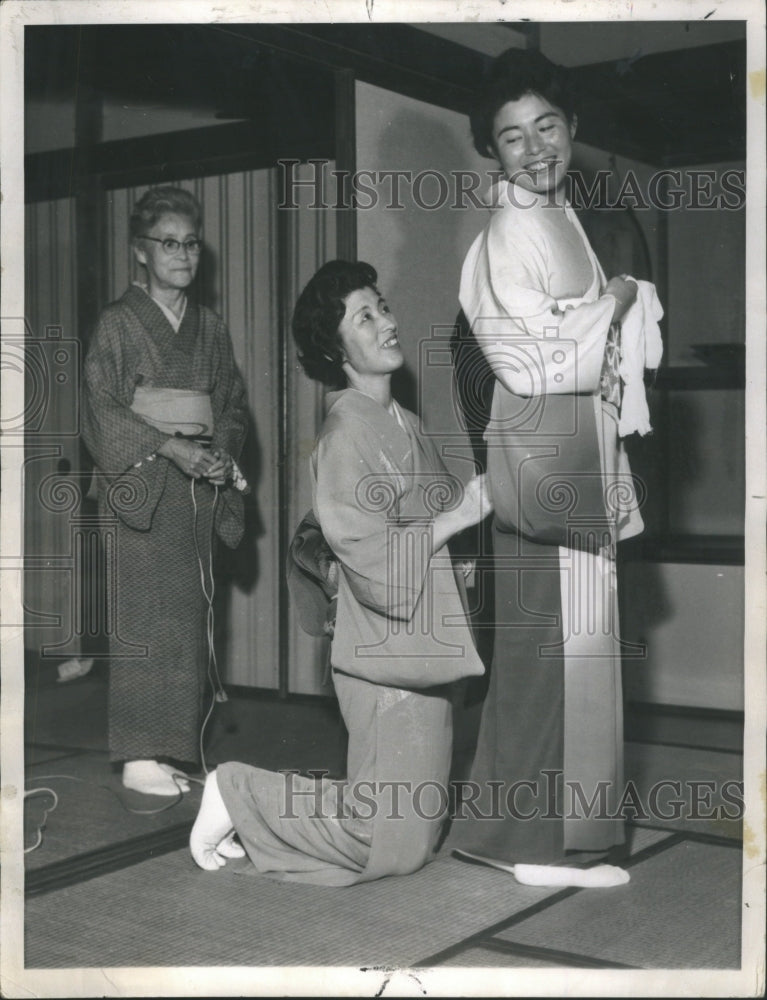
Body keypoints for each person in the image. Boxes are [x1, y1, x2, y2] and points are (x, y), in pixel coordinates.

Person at [190, 260, 492, 884]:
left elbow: (440, 523)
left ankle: (252, 803)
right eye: (366, 316)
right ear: (335, 347)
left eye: (382, 306)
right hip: (382, 646)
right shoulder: (343, 433)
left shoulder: (405, 422)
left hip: (427, 643)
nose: (387, 322)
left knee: (412, 840)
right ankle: (236, 791)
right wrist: (460, 514)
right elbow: (363, 546)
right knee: (381, 836)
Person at [447, 50, 660, 888]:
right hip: (541, 436)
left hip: (580, 438)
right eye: (510, 138)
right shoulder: (509, 230)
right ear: (490, 152)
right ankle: (522, 842)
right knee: (545, 643)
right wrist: (609, 303)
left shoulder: (560, 215)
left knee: (582, 641)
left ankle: (567, 835)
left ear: (571, 129)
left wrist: (608, 304)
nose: (534, 150)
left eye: (546, 127)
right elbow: (526, 359)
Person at [82, 186, 248, 797]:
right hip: (143, 485)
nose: (182, 254)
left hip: (194, 488)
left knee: (190, 618)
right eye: (168, 243)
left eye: (191, 243)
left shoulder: (211, 327)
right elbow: (100, 408)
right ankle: (135, 754)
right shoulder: (119, 323)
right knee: (143, 617)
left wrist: (219, 451)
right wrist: (173, 446)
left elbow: (231, 404)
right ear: (140, 253)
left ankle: (169, 748)